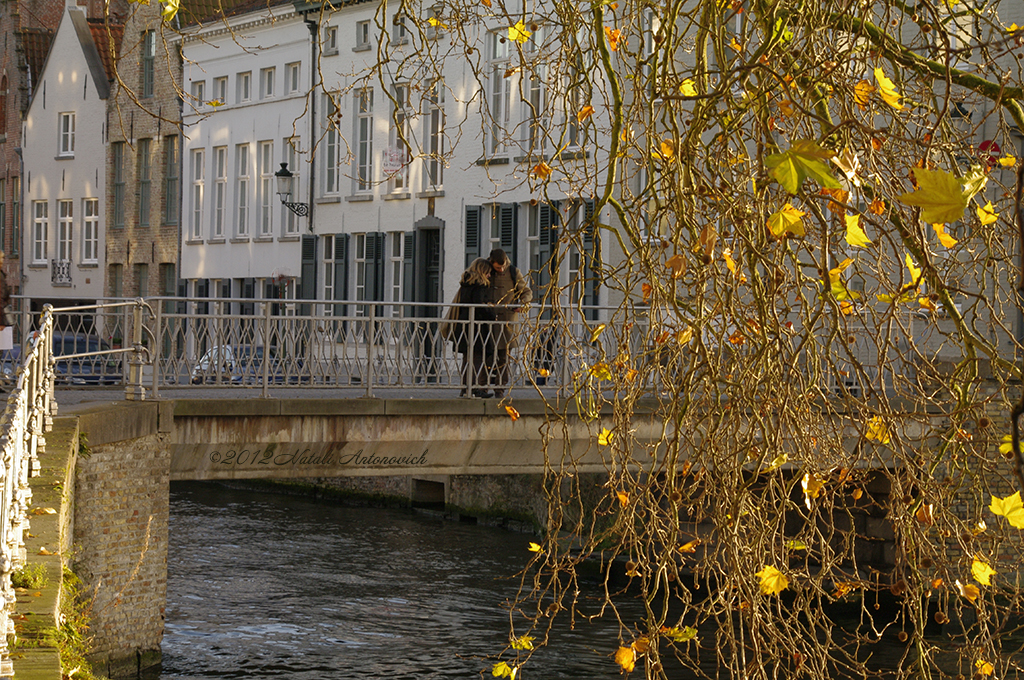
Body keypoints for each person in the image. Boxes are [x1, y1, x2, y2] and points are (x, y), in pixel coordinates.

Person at [483, 248, 532, 398]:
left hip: (507, 321)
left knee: (504, 357)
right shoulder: (485, 270)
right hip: (487, 319)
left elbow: (526, 291)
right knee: (487, 355)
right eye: (498, 267)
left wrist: (523, 303)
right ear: (492, 263)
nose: (501, 269)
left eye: (503, 267)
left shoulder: (513, 272)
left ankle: (500, 389)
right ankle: (482, 387)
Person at [452, 258, 497, 398]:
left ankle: (466, 388)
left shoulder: (466, 283)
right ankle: (473, 388)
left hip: (464, 324)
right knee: (477, 356)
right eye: (488, 272)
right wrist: (491, 312)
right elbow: (479, 305)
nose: (489, 275)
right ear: (483, 272)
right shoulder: (479, 285)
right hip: (476, 326)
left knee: (467, 357)